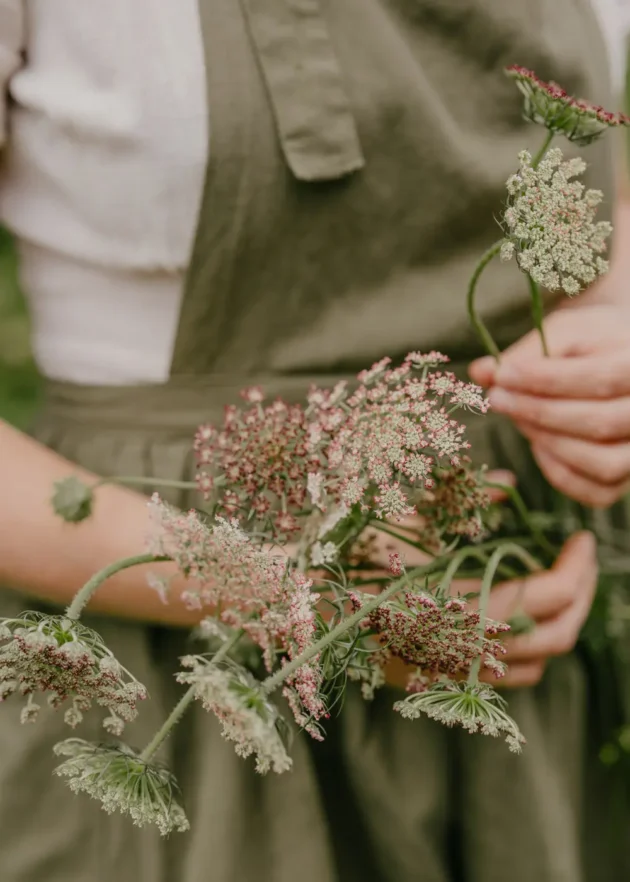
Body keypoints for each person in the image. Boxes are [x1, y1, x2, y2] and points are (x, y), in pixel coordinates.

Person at [0, 1, 628, 880]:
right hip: (183, 652)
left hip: (537, 624)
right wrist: (301, 600)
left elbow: (610, 194)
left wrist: (608, 333)